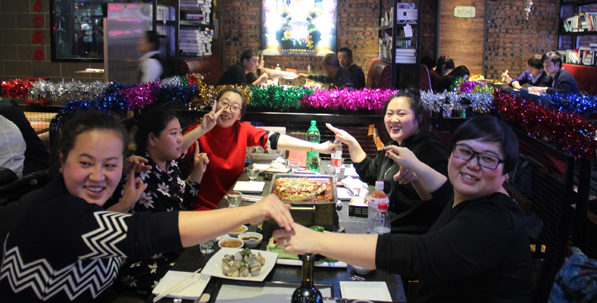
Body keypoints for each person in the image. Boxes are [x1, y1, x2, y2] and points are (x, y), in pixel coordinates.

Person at [0, 110, 294, 302]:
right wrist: (252, 211)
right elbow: (145, 231)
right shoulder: (55, 213)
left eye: (110, 164)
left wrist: (126, 200)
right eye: (85, 163)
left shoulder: (75, 202)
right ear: (63, 160)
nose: (98, 176)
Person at [274, 115, 532, 303]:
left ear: (506, 173)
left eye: (488, 159)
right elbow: (442, 188)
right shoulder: (469, 196)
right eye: (465, 151)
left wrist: (318, 240)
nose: (473, 164)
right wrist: (417, 171)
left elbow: (421, 254)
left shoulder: (494, 220)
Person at [106, 108, 208, 299]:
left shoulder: (170, 164)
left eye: (180, 132)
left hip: (174, 248)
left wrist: (198, 172)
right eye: (173, 133)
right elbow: (112, 222)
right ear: (152, 139)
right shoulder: (135, 171)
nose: (180, 139)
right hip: (145, 261)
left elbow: (182, 200)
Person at [182, 88, 340, 210]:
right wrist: (202, 130)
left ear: (239, 115)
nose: (228, 110)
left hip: (235, 204)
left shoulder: (242, 130)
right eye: (224, 103)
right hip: (206, 208)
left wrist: (317, 146)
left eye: (235, 107)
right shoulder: (198, 131)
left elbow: (276, 139)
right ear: (215, 104)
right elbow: (175, 151)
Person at [326, 90, 449, 234]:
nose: (394, 119)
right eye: (389, 114)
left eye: (401, 114)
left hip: (412, 235)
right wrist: (351, 142)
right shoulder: (393, 145)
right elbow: (369, 173)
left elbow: (442, 201)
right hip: (384, 228)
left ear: (419, 117)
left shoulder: (430, 148)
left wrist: (416, 176)